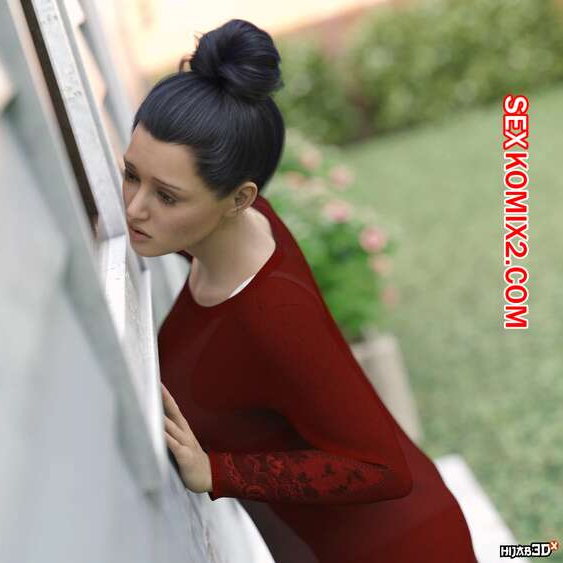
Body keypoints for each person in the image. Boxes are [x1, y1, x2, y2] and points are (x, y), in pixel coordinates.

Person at [123, 18, 478, 562]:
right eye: (131, 175)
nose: (134, 208)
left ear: (239, 199)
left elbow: (381, 468)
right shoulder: (236, 233)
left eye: (166, 196)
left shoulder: (274, 313)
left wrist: (217, 471)